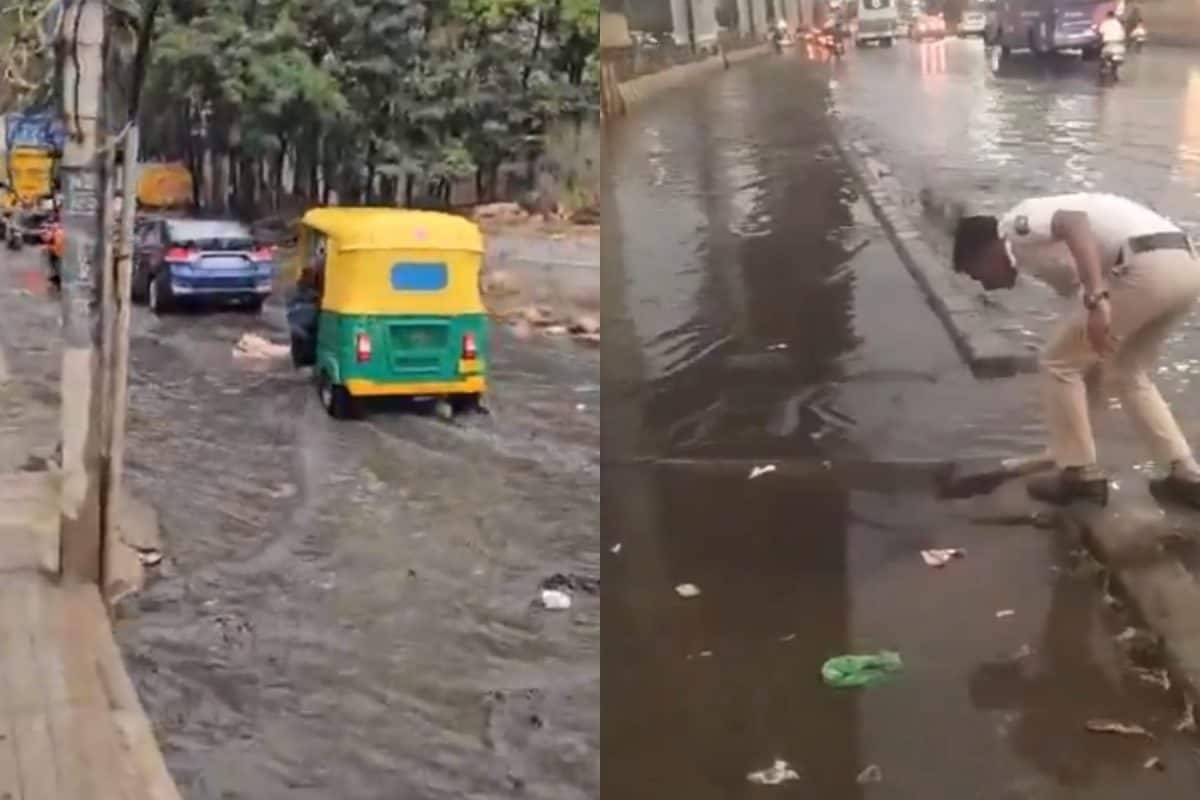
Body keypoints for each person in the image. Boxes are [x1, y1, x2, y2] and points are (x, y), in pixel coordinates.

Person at [953, 194, 1200, 507]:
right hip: (1185, 265)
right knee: (1125, 372)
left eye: (978, 274)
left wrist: (1097, 297)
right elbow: (1087, 367)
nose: (985, 286)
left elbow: (1074, 222)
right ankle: (1186, 475)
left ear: (986, 253)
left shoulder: (1015, 227)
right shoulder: (1046, 259)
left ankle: (1080, 475)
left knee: (1057, 363)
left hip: (1144, 266)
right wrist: (1068, 442)